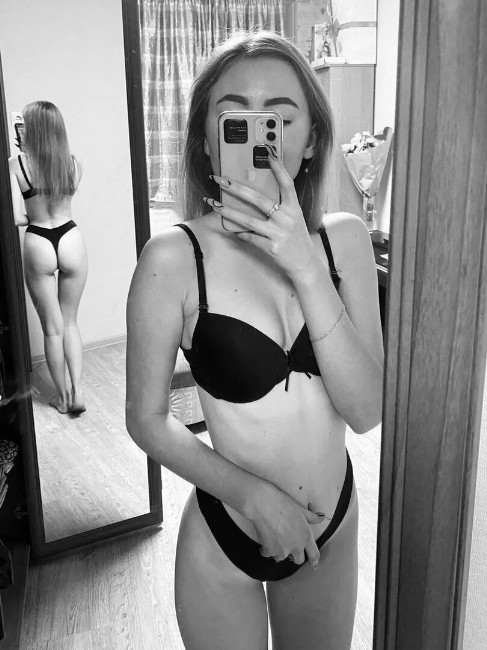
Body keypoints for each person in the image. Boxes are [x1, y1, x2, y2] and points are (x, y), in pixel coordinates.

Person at [126, 31, 383, 650]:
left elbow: (366, 411)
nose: (259, 136)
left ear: (311, 139)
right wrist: (255, 498)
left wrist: (306, 267)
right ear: (206, 137)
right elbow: (146, 419)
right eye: (234, 117)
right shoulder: (172, 259)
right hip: (227, 535)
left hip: (330, 525)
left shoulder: (345, 241)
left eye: (280, 118)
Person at [9, 101, 88, 415]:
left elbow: (15, 216)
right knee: (70, 322)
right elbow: (63, 200)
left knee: (53, 329)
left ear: (31, 129)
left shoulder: (17, 163)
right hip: (71, 237)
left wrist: (34, 216)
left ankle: (62, 397)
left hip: (39, 239)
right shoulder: (73, 163)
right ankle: (78, 392)